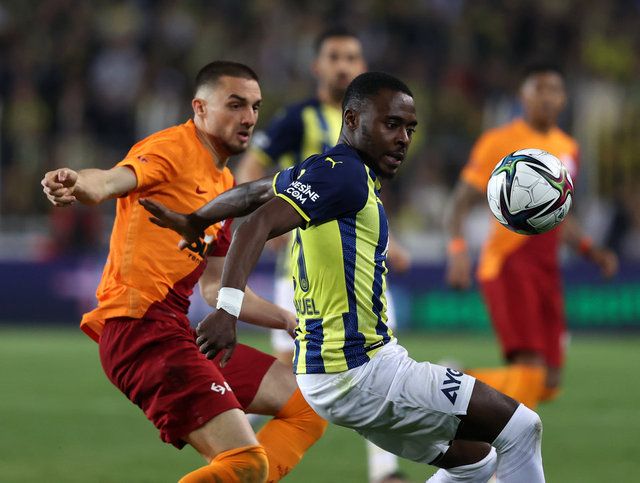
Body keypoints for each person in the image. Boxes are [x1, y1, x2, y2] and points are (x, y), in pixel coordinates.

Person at [141, 71, 546, 482]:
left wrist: (198, 218)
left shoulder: (325, 170)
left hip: (334, 378)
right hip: (362, 371)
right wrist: (228, 310)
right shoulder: (343, 175)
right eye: (392, 124)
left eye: (410, 129)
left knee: (475, 462)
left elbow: (253, 193)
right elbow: (255, 225)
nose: (403, 139)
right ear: (351, 119)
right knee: (521, 428)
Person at [41, 61, 327, 483]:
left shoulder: (225, 186)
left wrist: (287, 319)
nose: (248, 117)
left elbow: (216, 288)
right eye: (235, 105)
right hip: (139, 331)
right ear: (200, 108)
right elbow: (108, 182)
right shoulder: (172, 148)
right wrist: (75, 182)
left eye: (255, 107)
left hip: (178, 334)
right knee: (245, 461)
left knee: (307, 408)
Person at [235, 28, 409, 483]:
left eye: (351, 57)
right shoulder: (299, 118)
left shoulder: (378, 120)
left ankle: (385, 471)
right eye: (334, 56)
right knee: (291, 380)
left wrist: (389, 242)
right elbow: (253, 166)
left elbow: (365, 196)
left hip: (358, 266)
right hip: (303, 272)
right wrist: (267, 217)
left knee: (374, 359)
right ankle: (232, 439)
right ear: (317, 66)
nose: (343, 65)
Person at [445, 62, 619, 410]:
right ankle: (474, 427)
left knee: (548, 383)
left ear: (564, 99)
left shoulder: (568, 147)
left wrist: (590, 249)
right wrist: (458, 250)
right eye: (538, 89)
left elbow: (559, 214)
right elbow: (458, 203)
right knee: (529, 372)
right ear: (522, 96)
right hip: (508, 263)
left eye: (554, 90)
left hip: (546, 270)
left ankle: (454, 379)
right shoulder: (499, 141)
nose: (547, 97)